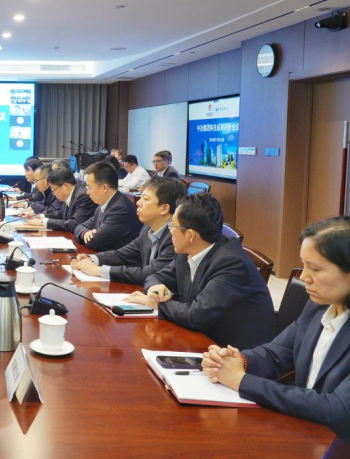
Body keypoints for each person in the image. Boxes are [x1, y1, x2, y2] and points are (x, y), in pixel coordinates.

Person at [201, 216, 350, 444]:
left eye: (315, 269)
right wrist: (237, 361)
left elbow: (337, 409)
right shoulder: (319, 305)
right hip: (305, 431)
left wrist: (241, 381)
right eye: (303, 265)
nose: (304, 277)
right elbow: (278, 352)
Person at [125, 193, 276, 349]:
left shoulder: (231, 263)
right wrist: (154, 289)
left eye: (173, 226)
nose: (170, 231)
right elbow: (155, 277)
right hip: (202, 337)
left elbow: (197, 315)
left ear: (190, 235)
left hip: (234, 350)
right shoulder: (187, 250)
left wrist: (156, 303)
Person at [71, 176, 185, 284]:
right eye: (141, 197)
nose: (138, 203)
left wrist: (99, 270)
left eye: (145, 199)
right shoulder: (147, 228)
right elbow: (124, 254)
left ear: (164, 208)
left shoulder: (176, 237)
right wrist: (92, 258)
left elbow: (151, 273)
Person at [74, 161, 143, 251]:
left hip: (116, 259)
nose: (87, 192)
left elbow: (94, 241)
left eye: (89, 187)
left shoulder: (120, 210)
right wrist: (85, 233)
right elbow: (79, 227)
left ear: (105, 188)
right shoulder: (102, 206)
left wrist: (87, 235)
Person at [26, 168, 96, 232]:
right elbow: (62, 213)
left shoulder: (82, 196)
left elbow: (75, 223)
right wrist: (41, 216)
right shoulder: (70, 191)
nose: (53, 194)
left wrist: (44, 222)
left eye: (54, 189)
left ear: (65, 186)